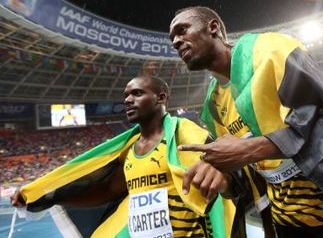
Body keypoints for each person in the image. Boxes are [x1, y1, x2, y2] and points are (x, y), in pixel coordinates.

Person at [169, 6, 323, 238]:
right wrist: (225, 180)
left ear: (213, 27)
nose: (176, 41)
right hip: (284, 223)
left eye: (182, 30)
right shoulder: (212, 106)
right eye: (172, 38)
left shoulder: (271, 51)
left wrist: (250, 148)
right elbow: (253, 180)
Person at [11, 75, 241, 237]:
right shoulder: (130, 151)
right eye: (126, 95)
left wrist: (224, 179)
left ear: (161, 98)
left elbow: (231, 182)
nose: (128, 100)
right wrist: (52, 196)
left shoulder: (187, 136)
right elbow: (108, 190)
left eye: (137, 93)